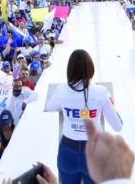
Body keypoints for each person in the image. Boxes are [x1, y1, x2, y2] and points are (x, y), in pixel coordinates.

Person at [45, 49, 123, 184]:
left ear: (70, 69)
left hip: (68, 151)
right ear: (90, 68)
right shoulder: (101, 92)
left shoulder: (62, 90)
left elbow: (50, 106)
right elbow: (118, 126)